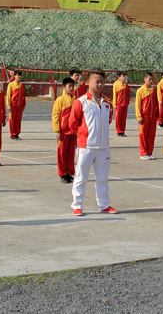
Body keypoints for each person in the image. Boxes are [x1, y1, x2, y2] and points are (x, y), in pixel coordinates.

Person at [70, 69, 116, 216]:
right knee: (81, 177)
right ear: (88, 82)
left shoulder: (107, 103)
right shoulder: (81, 102)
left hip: (103, 148)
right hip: (86, 147)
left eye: (102, 81)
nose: (100, 83)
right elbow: (72, 123)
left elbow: (108, 121)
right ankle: (77, 205)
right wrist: (84, 136)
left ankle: (104, 204)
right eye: (97, 80)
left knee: (102, 178)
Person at [52, 77, 77, 183]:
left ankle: (70, 172)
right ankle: (63, 174)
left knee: (71, 153)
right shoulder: (60, 100)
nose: (71, 88)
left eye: (73, 86)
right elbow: (55, 116)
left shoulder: (76, 100)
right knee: (62, 153)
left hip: (73, 132)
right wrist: (57, 130)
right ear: (64, 87)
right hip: (63, 131)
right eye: (69, 86)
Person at [136, 72, 158, 159]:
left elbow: (156, 103)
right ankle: (143, 153)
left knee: (151, 135)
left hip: (152, 117)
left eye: (152, 79)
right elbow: (138, 104)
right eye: (149, 79)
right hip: (144, 117)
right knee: (143, 136)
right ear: (144, 79)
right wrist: (139, 116)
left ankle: (149, 152)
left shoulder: (153, 90)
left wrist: (157, 114)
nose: (151, 81)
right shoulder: (140, 91)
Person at [6, 71, 27, 140]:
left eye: (20, 75)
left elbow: (23, 96)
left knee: (18, 120)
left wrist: (24, 104)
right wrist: (8, 105)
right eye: (18, 75)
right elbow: (8, 96)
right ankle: (12, 134)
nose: (19, 77)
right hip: (13, 105)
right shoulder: (11, 85)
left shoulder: (22, 85)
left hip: (20, 106)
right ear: (14, 76)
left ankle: (17, 134)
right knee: (12, 120)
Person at [112, 72, 130, 137]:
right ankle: (118, 131)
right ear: (119, 77)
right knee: (118, 118)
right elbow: (115, 95)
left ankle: (122, 131)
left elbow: (128, 95)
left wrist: (128, 102)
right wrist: (115, 105)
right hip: (119, 104)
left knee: (123, 118)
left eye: (124, 76)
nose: (124, 78)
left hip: (125, 104)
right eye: (122, 76)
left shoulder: (126, 85)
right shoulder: (116, 85)